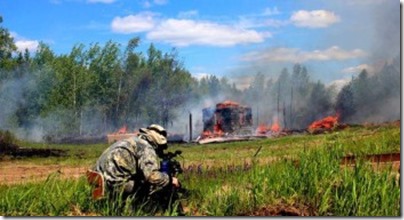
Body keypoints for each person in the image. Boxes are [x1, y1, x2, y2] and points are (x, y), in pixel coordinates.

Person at [90, 124, 180, 205]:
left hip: (100, 179)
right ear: (157, 142)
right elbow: (152, 177)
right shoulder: (147, 148)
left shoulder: (131, 141)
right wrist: (170, 180)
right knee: (153, 187)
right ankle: (149, 209)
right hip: (114, 184)